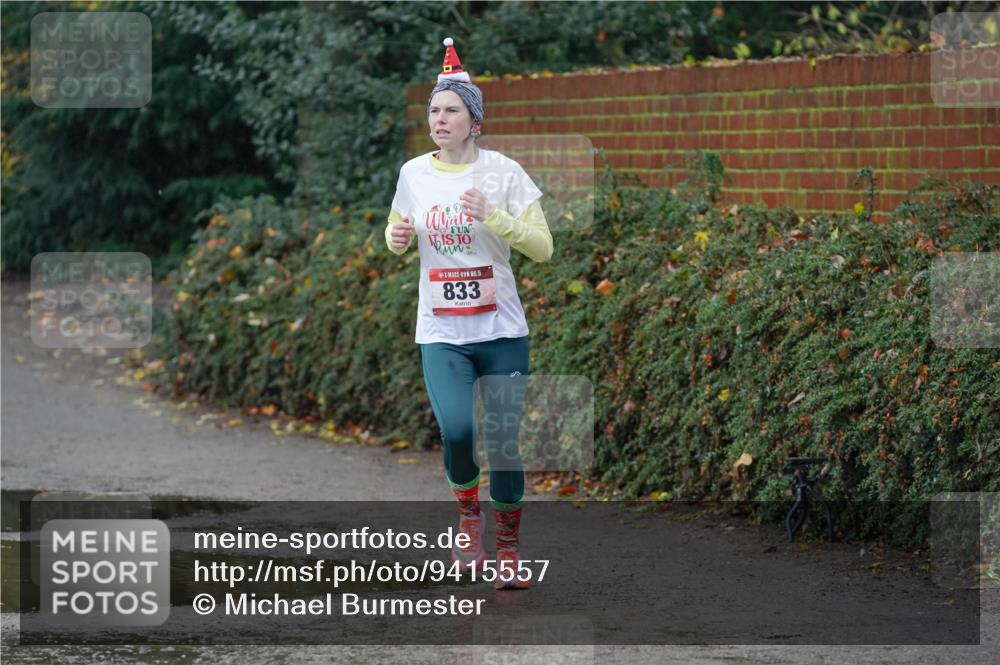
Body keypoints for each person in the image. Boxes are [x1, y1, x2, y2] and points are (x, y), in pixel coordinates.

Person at [385, 37, 553, 590]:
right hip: (442, 332)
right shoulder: (414, 174)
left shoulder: (504, 172)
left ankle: (508, 549)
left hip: (501, 330)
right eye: (433, 109)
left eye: (451, 109)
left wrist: (496, 218)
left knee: (504, 441)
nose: (439, 118)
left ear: (473, 119)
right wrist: (396, 237)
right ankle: (467, 516)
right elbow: (396, 234)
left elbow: (543, 249)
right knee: (457, 429)